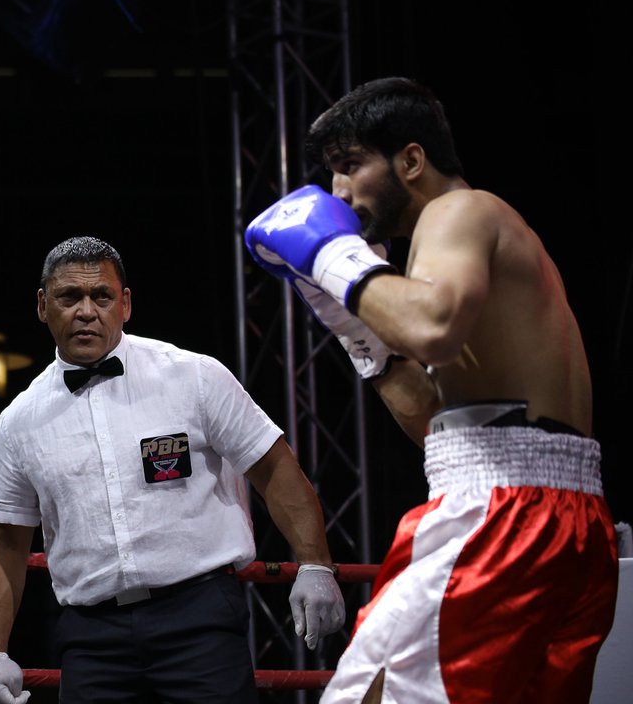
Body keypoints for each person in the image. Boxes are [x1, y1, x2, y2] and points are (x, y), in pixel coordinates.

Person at [244, 76, 619, 703]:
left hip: (501, 516)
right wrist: (351, 324)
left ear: (411, 160)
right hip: (566, 520)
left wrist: (333, 258)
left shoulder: (459, 211)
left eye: (349, 166)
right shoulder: (469, 244)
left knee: (364, 694)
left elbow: (432, 326)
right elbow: (434, 421)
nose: (337, 192)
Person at [0, 236, 345, 704]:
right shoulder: (19, 421)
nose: (86, 310)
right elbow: (4, 541)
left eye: (101, 296)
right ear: (43, 305)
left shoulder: (193, 376)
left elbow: (274, 468)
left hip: (200, 620)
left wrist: (314, 565)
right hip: (91, 638)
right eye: (70, 297)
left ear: (124, 304)